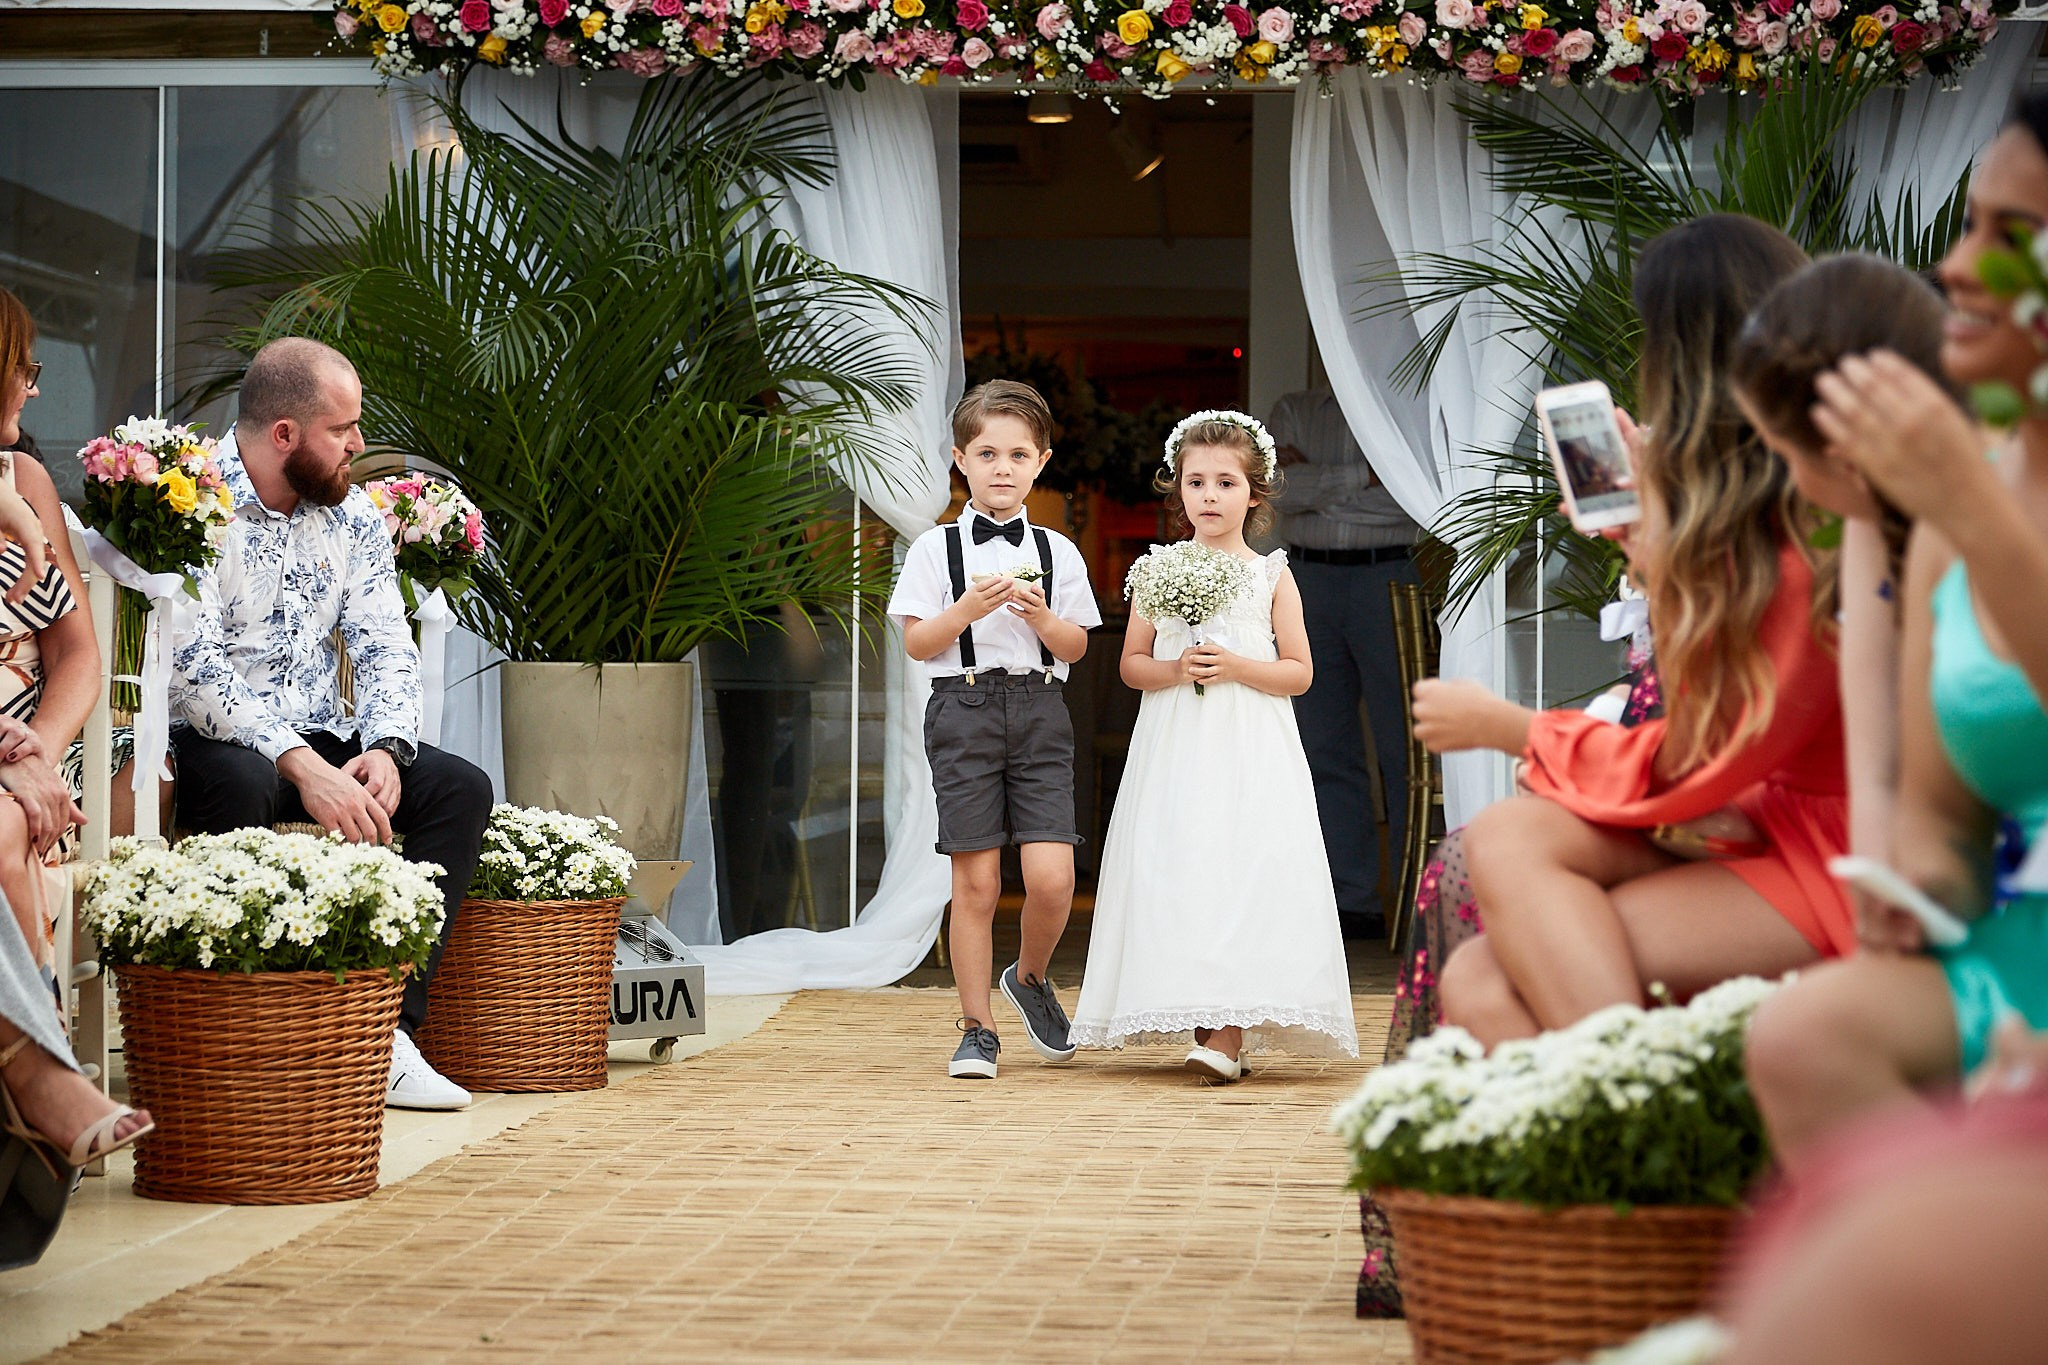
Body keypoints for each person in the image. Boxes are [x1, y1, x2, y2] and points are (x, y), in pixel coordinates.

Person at [1432, 214, 1850, 1046]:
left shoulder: (1813, 520)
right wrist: (1647, 547)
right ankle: (1627, 1119)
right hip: (1764, 819)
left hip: (1838, 850)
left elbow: (1698, 753)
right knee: (1478, 960)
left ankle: (1628, 1091)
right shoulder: (1748, 515)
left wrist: (1509, 726)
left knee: (1494, 919)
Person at [1741, 101, 2048, 1174]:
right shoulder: (1942, 508)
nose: (1957, 268)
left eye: (2010, 239)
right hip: (2017, 945)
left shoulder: (1952, 495)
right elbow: (1939, 820)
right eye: (1968, 225)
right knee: (1801, 1037)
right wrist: (1912, 893)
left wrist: (1963, 506)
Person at [168, 337, 492, 1112]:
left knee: (458, 787)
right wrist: (298, 766)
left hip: (327, 736)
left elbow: (386, 645)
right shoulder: (187, 501)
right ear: (284, 435)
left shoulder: (350, 519)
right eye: (343, 429)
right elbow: (194, 668)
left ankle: (387, 1036)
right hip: (219, 742)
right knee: (242, 780)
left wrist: (383, 746)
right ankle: (236, 1037)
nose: (358, 446)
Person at [1071, 410, 1357, 1080]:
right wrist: (1177, 670)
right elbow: (1132, 663)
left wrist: (1235, 667)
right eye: (1196, 482)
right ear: (1178, 493)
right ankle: (1209, 1021)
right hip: (1176, 745)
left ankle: (1227, 1032)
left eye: (1225, 482)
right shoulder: (1157, 570)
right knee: (1183, 864)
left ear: (1254, 495)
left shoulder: (1272, 575)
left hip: (1249, 743)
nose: (1209, 495)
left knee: (1242, 865)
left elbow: (1300, 670)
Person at [887, 379, 1100, 1080]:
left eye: (1017, 453)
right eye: (986, 452)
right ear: (960, 460)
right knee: (975, 884)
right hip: (964, 710)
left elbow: (1074, 646)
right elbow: (919, 645)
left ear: (1040, 461)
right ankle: (977, 1027)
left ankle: (1031, 976)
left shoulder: (1059, 551)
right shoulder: (933, 550)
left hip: (1040, 712)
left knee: (1052, 877)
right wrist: (967, 609)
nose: (1001, 467)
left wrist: (1040, 618)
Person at [0, 287, 150, 1208]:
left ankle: (36, 1084)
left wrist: (43, 750)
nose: (31, 385)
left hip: (27, 747)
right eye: (23, 363)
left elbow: (78, 654)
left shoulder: (25, 486)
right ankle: (39, 1067)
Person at [1266, 388, 1421, 937]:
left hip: (1391, 575)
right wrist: (1366, 477)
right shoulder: (1295, 411)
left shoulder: (1402, 406)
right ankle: (1350, 900)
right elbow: (1280, 493)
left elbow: (1410, 500)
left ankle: (1415, 897)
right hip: (1307, 580)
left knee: (1404, 743)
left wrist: (1322, 484)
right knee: (1323, 743)